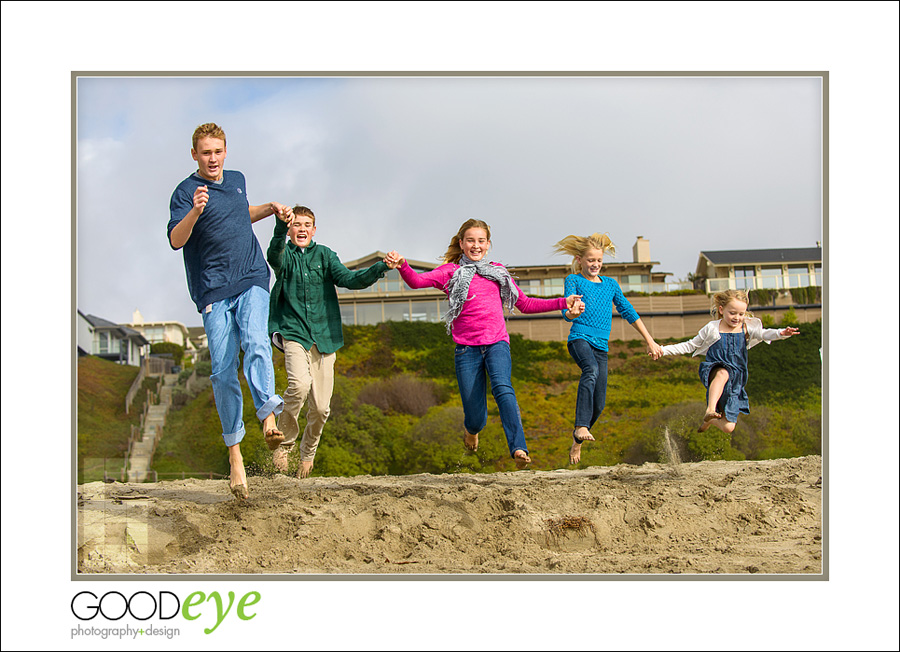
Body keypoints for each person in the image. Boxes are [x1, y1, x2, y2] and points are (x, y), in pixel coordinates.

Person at [383, 219, 584, 469]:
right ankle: (471, 430)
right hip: (466, 350)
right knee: (475, 415)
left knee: (503, 388)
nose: (475, 246)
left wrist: (562, 302)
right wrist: (402, 265)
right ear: (461, 243)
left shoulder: (499, 273)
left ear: (488, 245)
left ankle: (519, 448)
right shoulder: (450, 272)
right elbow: (416, 281)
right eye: (470, 240)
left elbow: (525, 304)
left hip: (497, 343)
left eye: (481, 241)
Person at [168, 122, 290, 501]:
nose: (213, 158)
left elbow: (238, 215)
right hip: (212, 288)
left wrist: (268, 209)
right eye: (206, 152)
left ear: (225, 151)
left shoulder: (237, 179)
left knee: (256, 340)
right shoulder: (185, 192)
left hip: (251, 275)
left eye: (218, 151)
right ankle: (235, 457)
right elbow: (175, 240)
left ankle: (268, 419)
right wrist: (194, 211)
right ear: (194, 155)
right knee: (222, 371)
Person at [267, 205, 389, 478]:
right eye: (296, 224)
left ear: (313, 229)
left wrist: (380, 267)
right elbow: (273, 255)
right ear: (290, 228)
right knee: (298, 386)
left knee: (321, 408)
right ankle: (284, 445)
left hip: (325, 337)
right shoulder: (285, 255)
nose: (301, 229)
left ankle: (307, 454)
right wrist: (278, 226)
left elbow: (350, 279)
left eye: (307, 224)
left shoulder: (325, 255)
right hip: (294, 332)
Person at [553, 233, 663, 464]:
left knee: (600, 404)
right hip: (580, 338)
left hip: (601, 346)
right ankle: (581, 425)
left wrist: (650, 340)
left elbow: (629, 312)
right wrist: (571, 312)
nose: (595, 265)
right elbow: (567, 308)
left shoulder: (611, 285)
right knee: (590, 370)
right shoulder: (573, 280)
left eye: (599, 261)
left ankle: (577, 439)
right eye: (590, 260)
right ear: (580, 259)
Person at [654, 289, 799, 434]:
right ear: (722, 310)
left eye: (741, 314)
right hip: (714, 369)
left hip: (736, 379)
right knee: (723, 373)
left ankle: (710, 420)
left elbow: (764, 333)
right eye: (733, 313)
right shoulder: (712, 328)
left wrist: (781, 333)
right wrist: (663, 350)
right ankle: (710, 409)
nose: (737, 317)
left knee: (728, 427)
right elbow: (690, 345)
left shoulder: (746, 327)